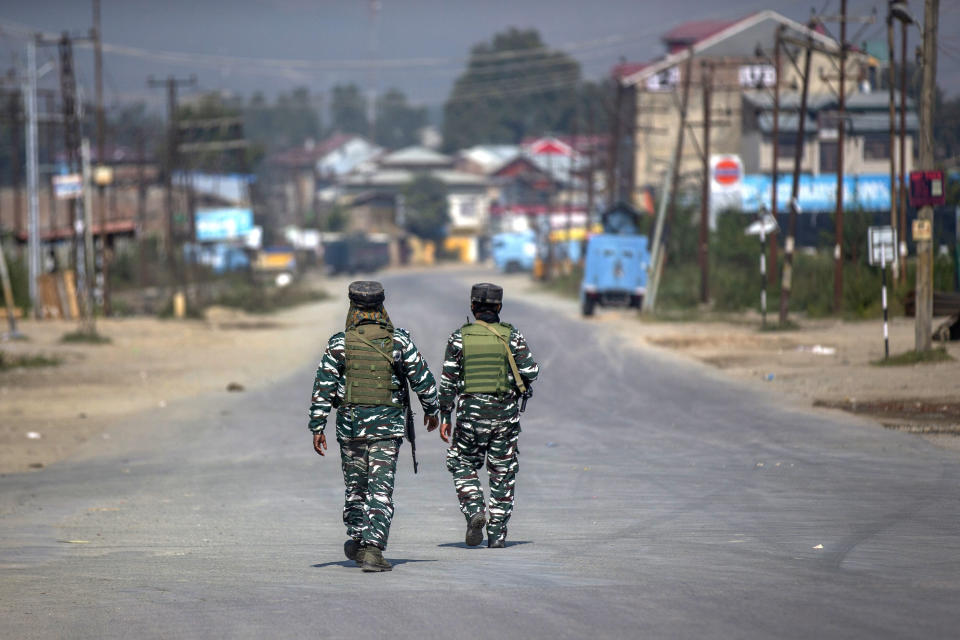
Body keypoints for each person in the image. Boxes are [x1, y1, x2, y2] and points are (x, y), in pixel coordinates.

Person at [309, 281, 440, 572]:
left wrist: (317, 427)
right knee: (380, 490)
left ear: (353, 306)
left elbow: (323, 388)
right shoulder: (400, 341)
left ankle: (358, 540)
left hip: (351, 429)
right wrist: (432, 411)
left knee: (355, 488)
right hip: (386, 431)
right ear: (381, 306)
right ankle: (372, 548)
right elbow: (425, 382)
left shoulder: (339, 343)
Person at [438, 282, 539, 548]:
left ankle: (474, 510)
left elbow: (448, 382)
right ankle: (497, 536)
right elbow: (531, 370)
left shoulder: (459, 337)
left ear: (472, 307)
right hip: (505, 416)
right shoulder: (511, 336)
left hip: (470, 417)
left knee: (461, 463)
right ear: (499, 307)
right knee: (502, 473)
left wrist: (445, 416)